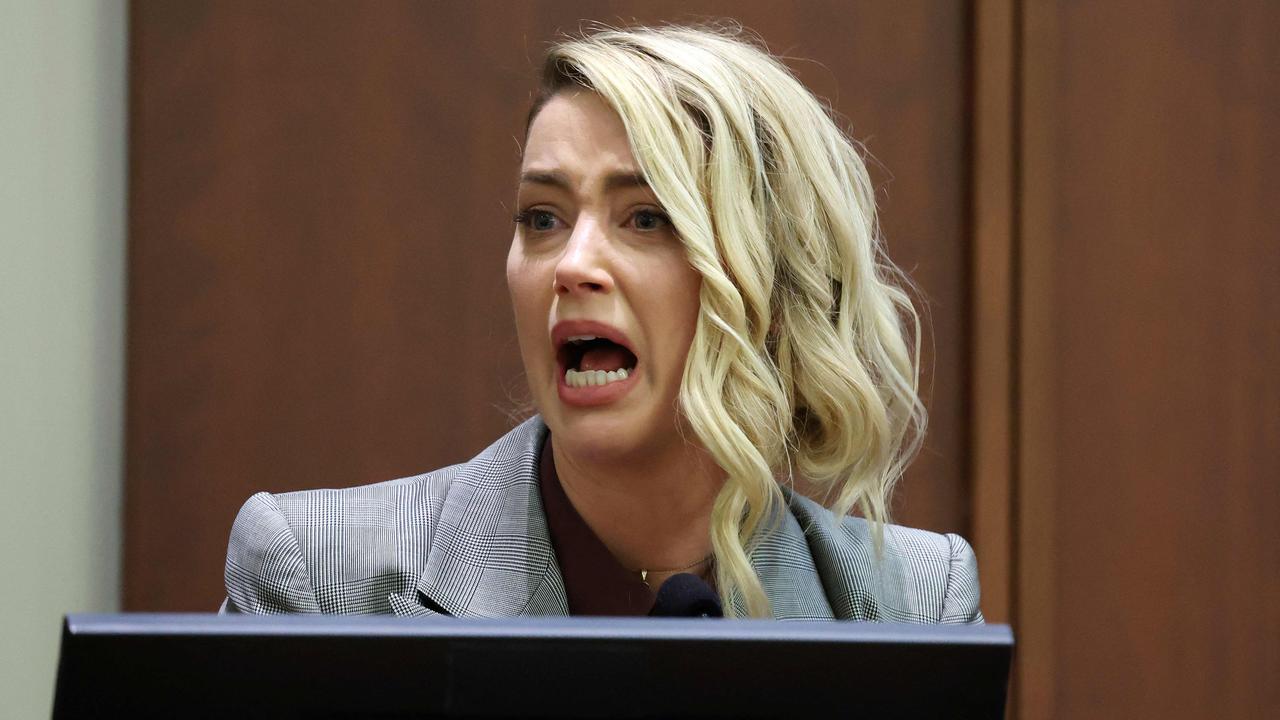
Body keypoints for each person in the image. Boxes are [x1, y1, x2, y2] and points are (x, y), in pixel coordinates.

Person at [222, 24, 982, 622]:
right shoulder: (319, 578)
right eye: (542, 217)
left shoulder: (911, 602)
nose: (571, 264)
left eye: (646, 218)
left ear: (772, 285)